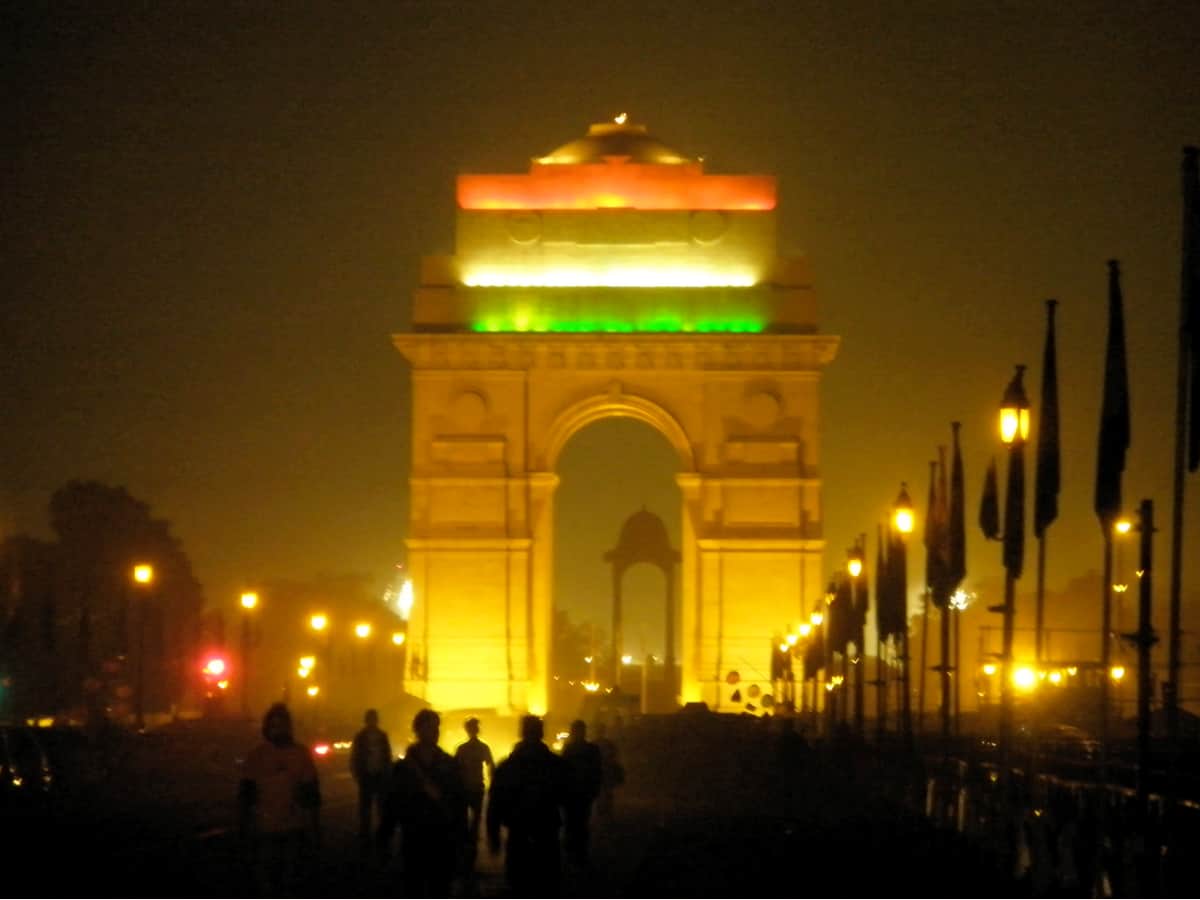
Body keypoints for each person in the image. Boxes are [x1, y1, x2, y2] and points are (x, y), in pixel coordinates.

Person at [378, 708, 465, 897]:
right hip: (414, 835)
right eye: (430, 727)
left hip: (441, 837)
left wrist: (460, 838)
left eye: (436, 727)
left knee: (439, 887)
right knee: (415, 886)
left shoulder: (449, 763)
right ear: (418, 730)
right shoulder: (404, 768)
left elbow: (458, 802)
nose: (435, 731)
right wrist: (385, 835)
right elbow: (393, 803)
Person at [238, 703, 321, 897]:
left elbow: (311, 794)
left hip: (293, 826)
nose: (278, 730)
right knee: (266, 877)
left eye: (281, 725)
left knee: (290, 877)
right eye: (274, 726)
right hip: (265, 827)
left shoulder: (300, 754)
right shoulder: (257, 756)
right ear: (267, 728)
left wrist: (313, 826)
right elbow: (247, 794)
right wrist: (245, 824)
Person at [487, 715, 566, 896]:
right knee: (548, 883)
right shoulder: (555, 764)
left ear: (521, 733)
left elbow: (495, 804)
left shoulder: (508, 766)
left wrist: (494, 835)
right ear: (541, 733)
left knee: (519, 882)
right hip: (547, 830)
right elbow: (569, 796)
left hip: (519, 831)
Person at [453, 717, 495, 871]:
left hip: (467, 788)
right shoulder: (482, 747)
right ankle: (470, 844)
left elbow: (454, 769)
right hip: (475, 787)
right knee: (474, 819)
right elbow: (491, 766)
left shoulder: (462, 749)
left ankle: (466, 845)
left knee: (465, 819)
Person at [560, 719, 603, 866]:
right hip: (584, 793)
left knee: (571, 823)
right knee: (582, 823)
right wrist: (594, 790)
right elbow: (597, 771)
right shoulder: (592, 749)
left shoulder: (569, 749)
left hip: (572, 793)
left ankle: (572, 851)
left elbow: (562, 771)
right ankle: (580, 853)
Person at [350, 708, 393, 843]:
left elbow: (387, 755)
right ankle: (367, 833)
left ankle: (374, 834)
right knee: (367, 807)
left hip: (378, 774)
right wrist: (357, 772)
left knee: (377, 806)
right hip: (368, 775)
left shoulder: (377, 736)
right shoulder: (365, 737)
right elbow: (356, 755)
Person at [593, 720, 624, 821]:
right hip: (607, 772)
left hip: (598, 772)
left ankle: (601, 811)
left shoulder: (593, 744)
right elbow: (614, 756)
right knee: (607, 792)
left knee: (600, 792)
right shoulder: (608, 744)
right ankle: (607, 812)